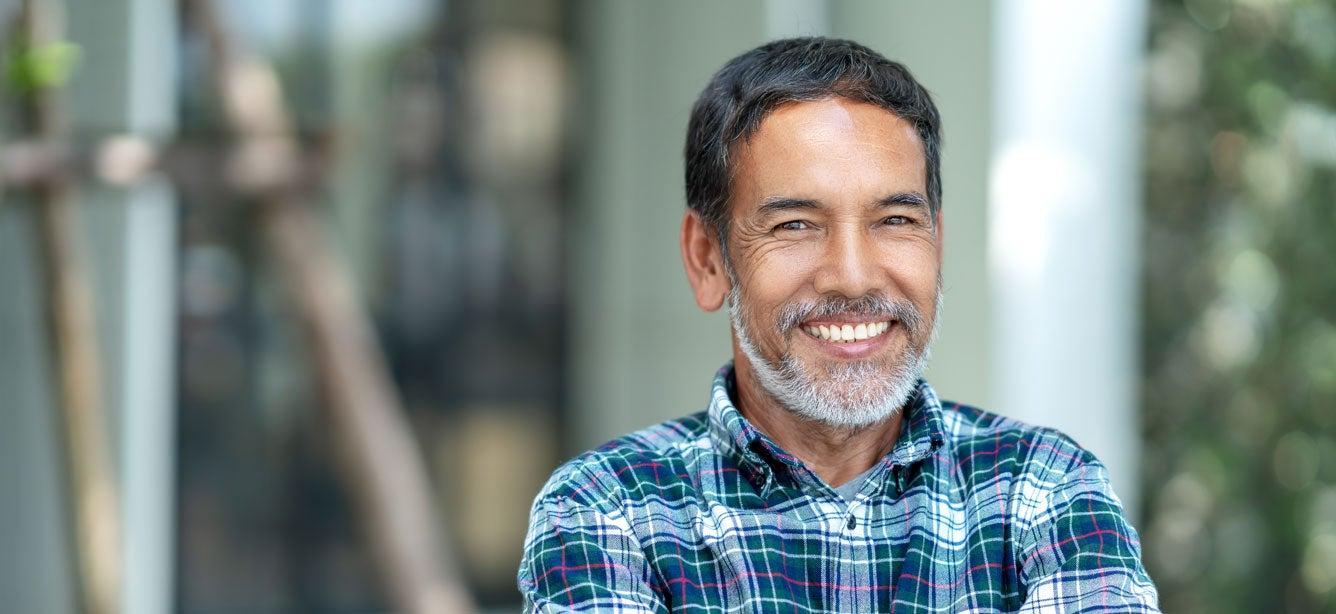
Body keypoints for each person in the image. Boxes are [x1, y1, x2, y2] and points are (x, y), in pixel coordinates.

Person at [518, 37, 1160, 612]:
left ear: (938, 243)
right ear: (707, 259)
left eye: (895, 220)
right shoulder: (608, 510)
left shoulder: (1044, 490)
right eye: (794, 224)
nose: (853, 278)